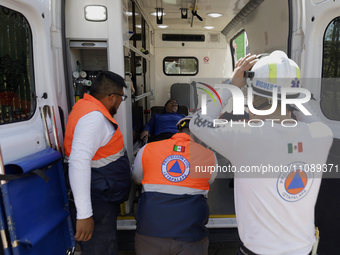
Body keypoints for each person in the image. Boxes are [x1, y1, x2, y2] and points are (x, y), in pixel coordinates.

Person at [189, 51, 333, 255]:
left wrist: (231, 83)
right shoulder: (321, 135)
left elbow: (197, 122)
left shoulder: (244, 136)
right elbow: (309, 115)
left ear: (254, 98)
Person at [64, 71, 131, 255]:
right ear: (112, 97)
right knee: (101, 249)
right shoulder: (94, 119)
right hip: (98, 201)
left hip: (102, 194)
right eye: (121, 98)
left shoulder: (85, 108)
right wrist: (84, 214)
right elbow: (78, 163)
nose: (120, 103)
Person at [132, 116, 217, 255]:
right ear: (201, 135)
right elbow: (210, 180)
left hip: (150, 233)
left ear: (177, 130)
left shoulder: (147, 149)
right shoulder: (209, 156)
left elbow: (136, 177)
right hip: (190, 236)